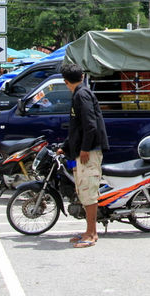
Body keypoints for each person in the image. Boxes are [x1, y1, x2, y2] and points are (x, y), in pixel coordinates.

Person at [59, 63, 109, 248]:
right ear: (81, 76)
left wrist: (85, 149)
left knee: (88, 192)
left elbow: (90, 125)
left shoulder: (82, 95)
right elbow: (77, 127)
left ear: (66, 82)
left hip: (90, 151)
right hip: (82, 149)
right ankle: (89, 231)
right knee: (84, 191)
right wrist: (65, 147)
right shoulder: (79, 94)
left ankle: (91, 234)